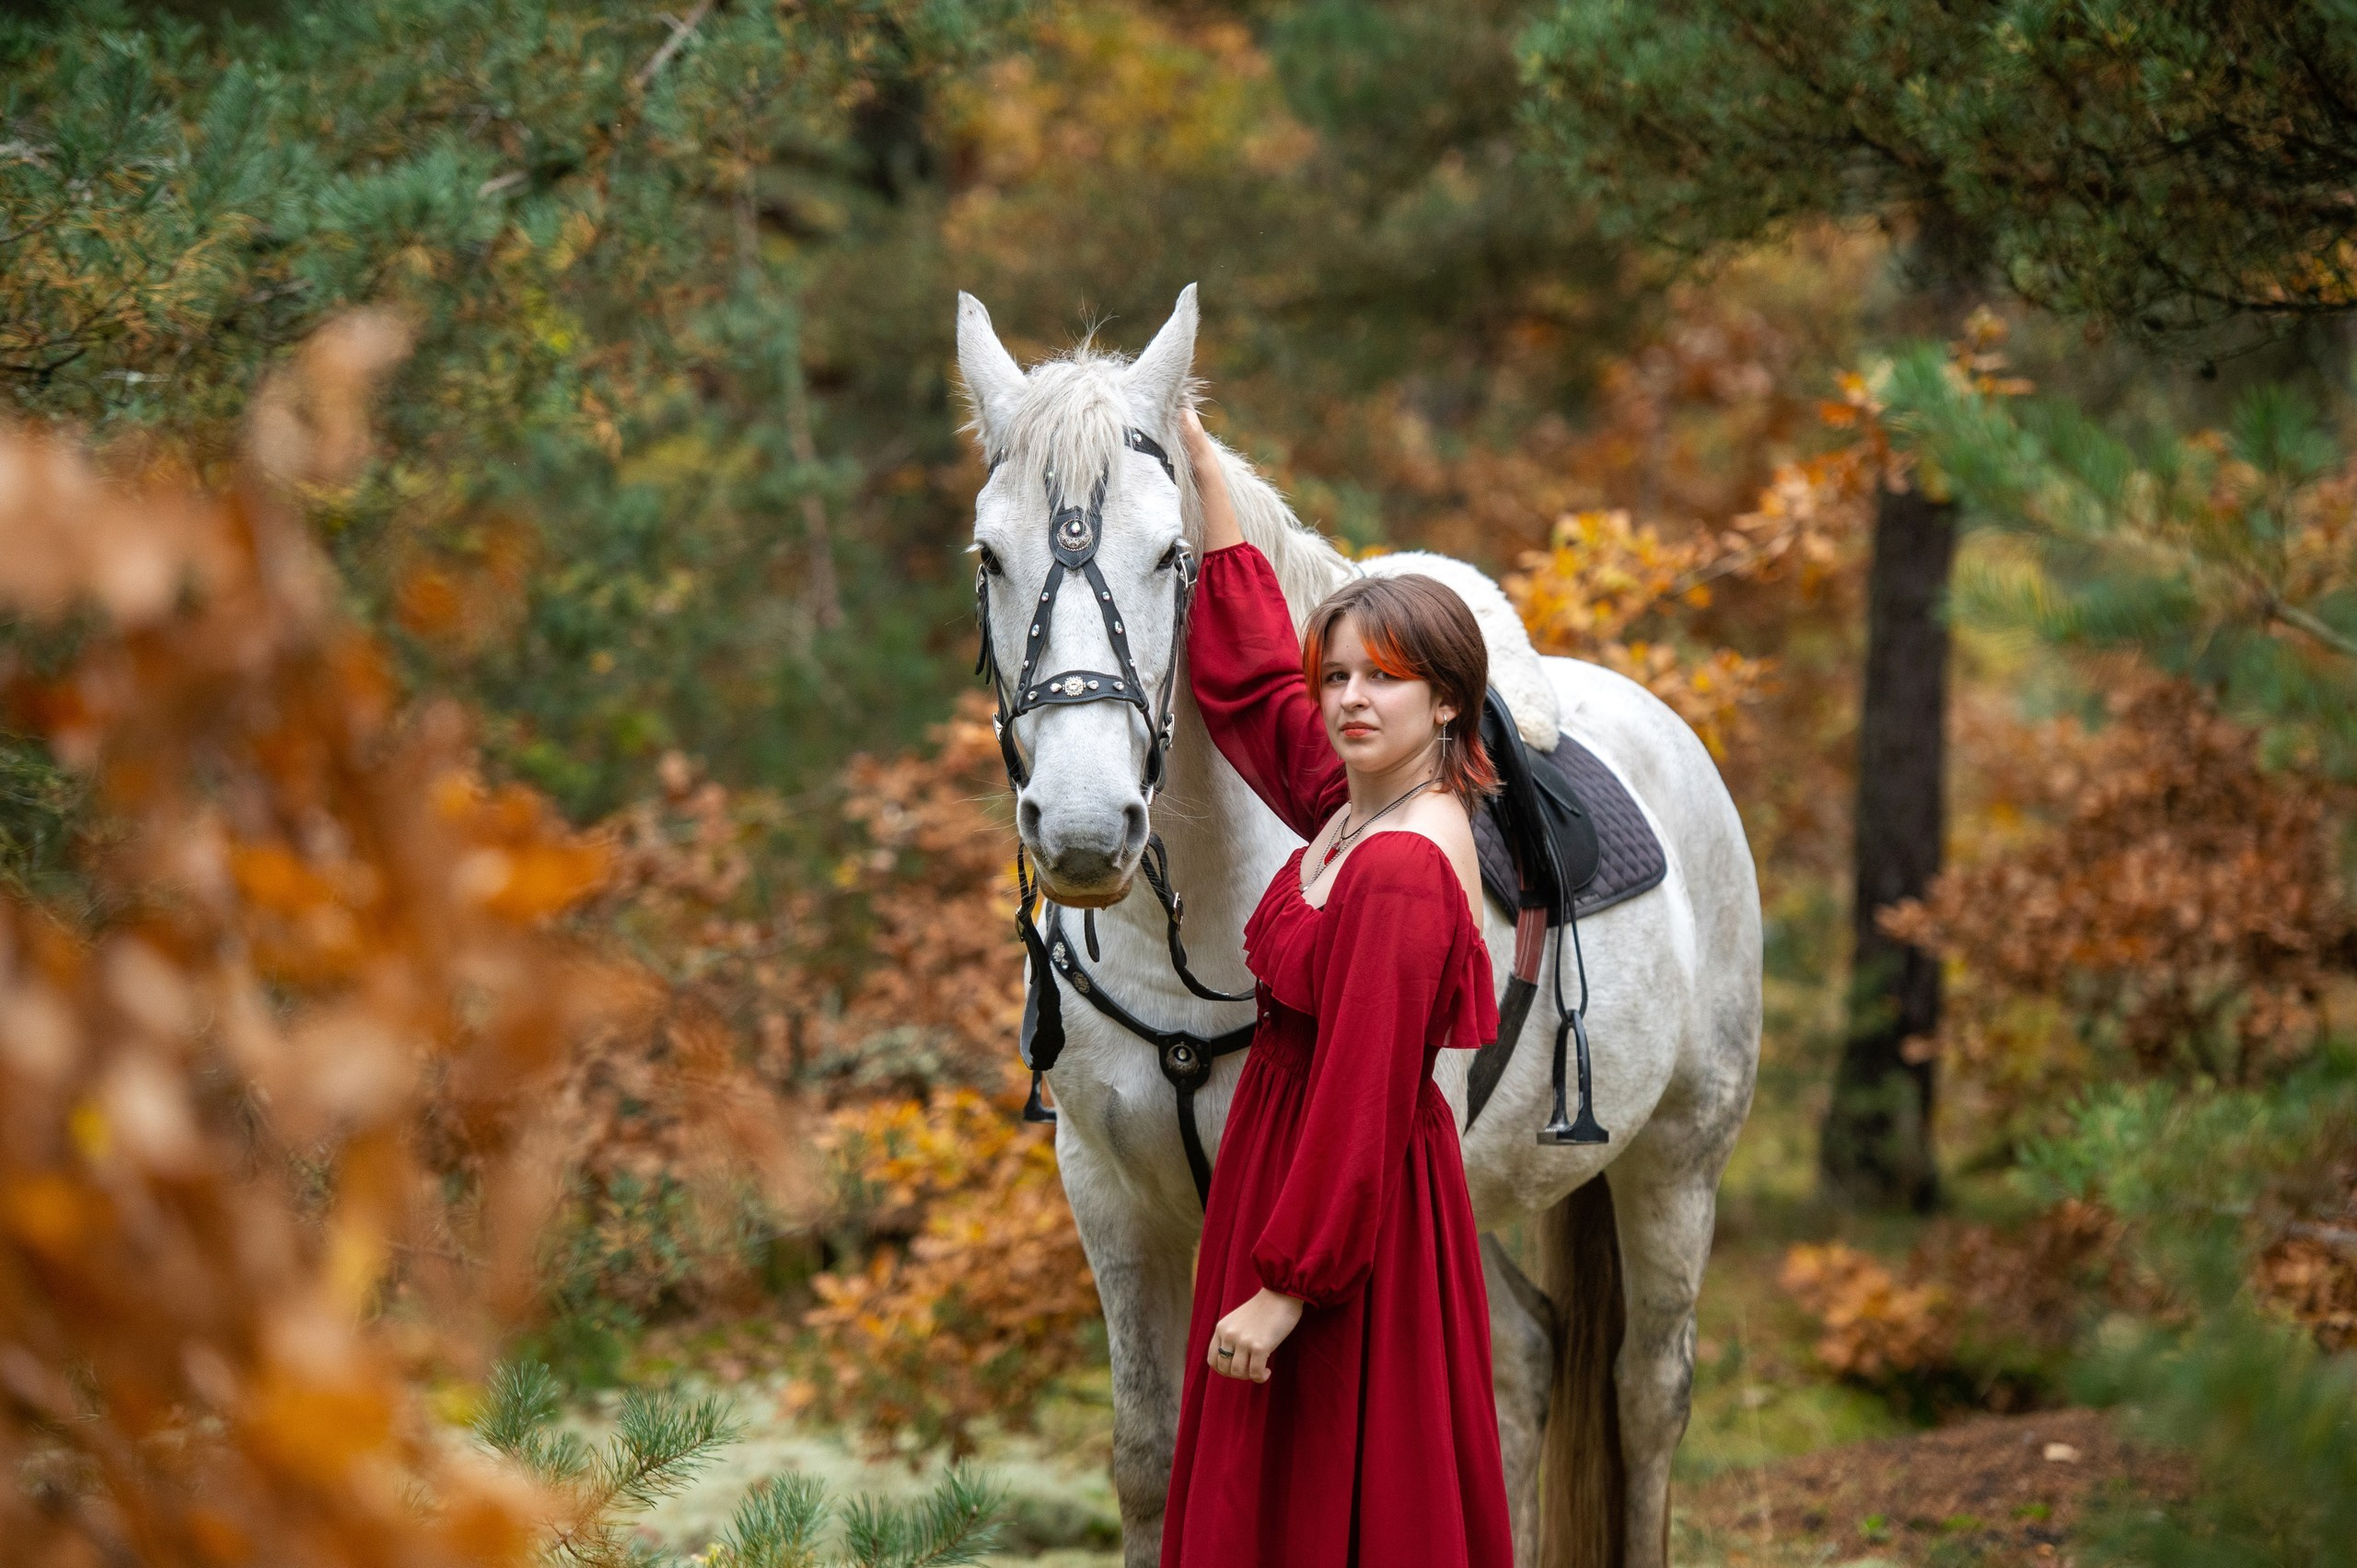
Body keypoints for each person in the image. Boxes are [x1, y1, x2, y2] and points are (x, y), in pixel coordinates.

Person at [1158, 407, 1515, 1568]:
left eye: (1388, 680)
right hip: (1284, 1181)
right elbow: (1257, 688)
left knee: (1338, 1502)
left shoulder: (1407, 865)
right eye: (1342, 677)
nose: (1353, 699)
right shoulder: (1349, 800)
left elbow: (1362, 1095)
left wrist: (1284, 1289)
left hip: (1344, 1222)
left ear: (1447, 700)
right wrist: (1209, 478)